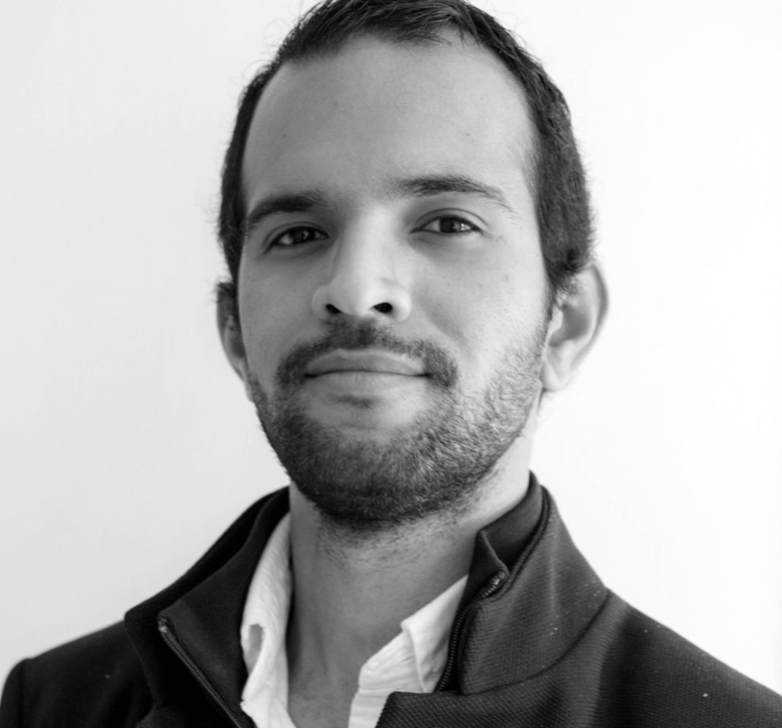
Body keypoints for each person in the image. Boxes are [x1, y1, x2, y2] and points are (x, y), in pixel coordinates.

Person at [1, 0, 780, 726]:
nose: (355, 289)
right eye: (298, 234)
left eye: (447, 222)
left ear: (564, 324)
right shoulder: (50, 707)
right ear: (234, 332)